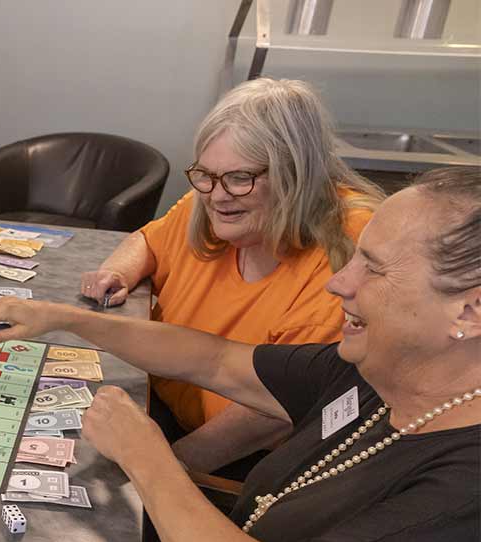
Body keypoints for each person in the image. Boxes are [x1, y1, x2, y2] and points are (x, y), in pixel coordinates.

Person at [0, 166, 480, 542]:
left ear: (470, 308)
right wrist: (63, 318)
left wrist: (148, 456)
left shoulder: (467, 489)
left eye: (374, 269)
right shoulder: (377, 369)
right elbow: (217, 360)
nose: (339, 282)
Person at [81, 78, 384, 477]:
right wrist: (118, 271)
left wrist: (159, 470)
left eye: (240, 179)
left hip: (240, 462)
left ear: (297, 176)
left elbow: (276, 412)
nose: (217, 196)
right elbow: (149, 241)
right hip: (160, 408)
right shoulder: (211, 198)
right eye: (205, 175)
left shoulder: (349, 248)